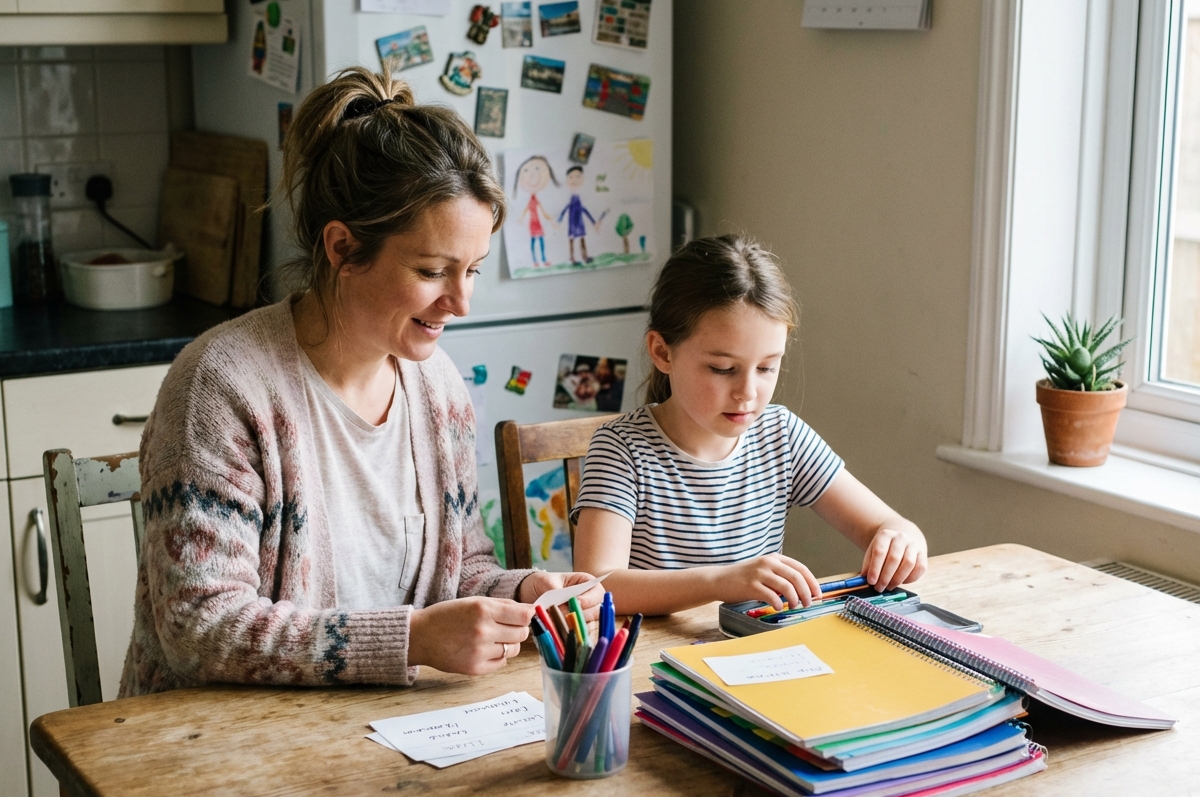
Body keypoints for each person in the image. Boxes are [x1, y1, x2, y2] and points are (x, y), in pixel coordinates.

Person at [119, 67, 601, 697]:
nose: (461, 301)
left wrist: (523, 592)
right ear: (343, 248)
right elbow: (198, 625)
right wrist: (414, 640)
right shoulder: (221, 387)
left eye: (474, 270)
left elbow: (461, 573)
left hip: (385, 735)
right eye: (433, 270)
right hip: (216, 751)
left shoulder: (440, 390)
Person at [570, 235, 927, 615]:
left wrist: (902, 538)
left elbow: (888, 524)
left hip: (754, 654)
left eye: (767, 367)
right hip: (656, 664)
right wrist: (722, 581)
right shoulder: (621, 447)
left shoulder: (782, 436)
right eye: (723, 369)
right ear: (662, 352)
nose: (748, 392)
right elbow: (597, 584)